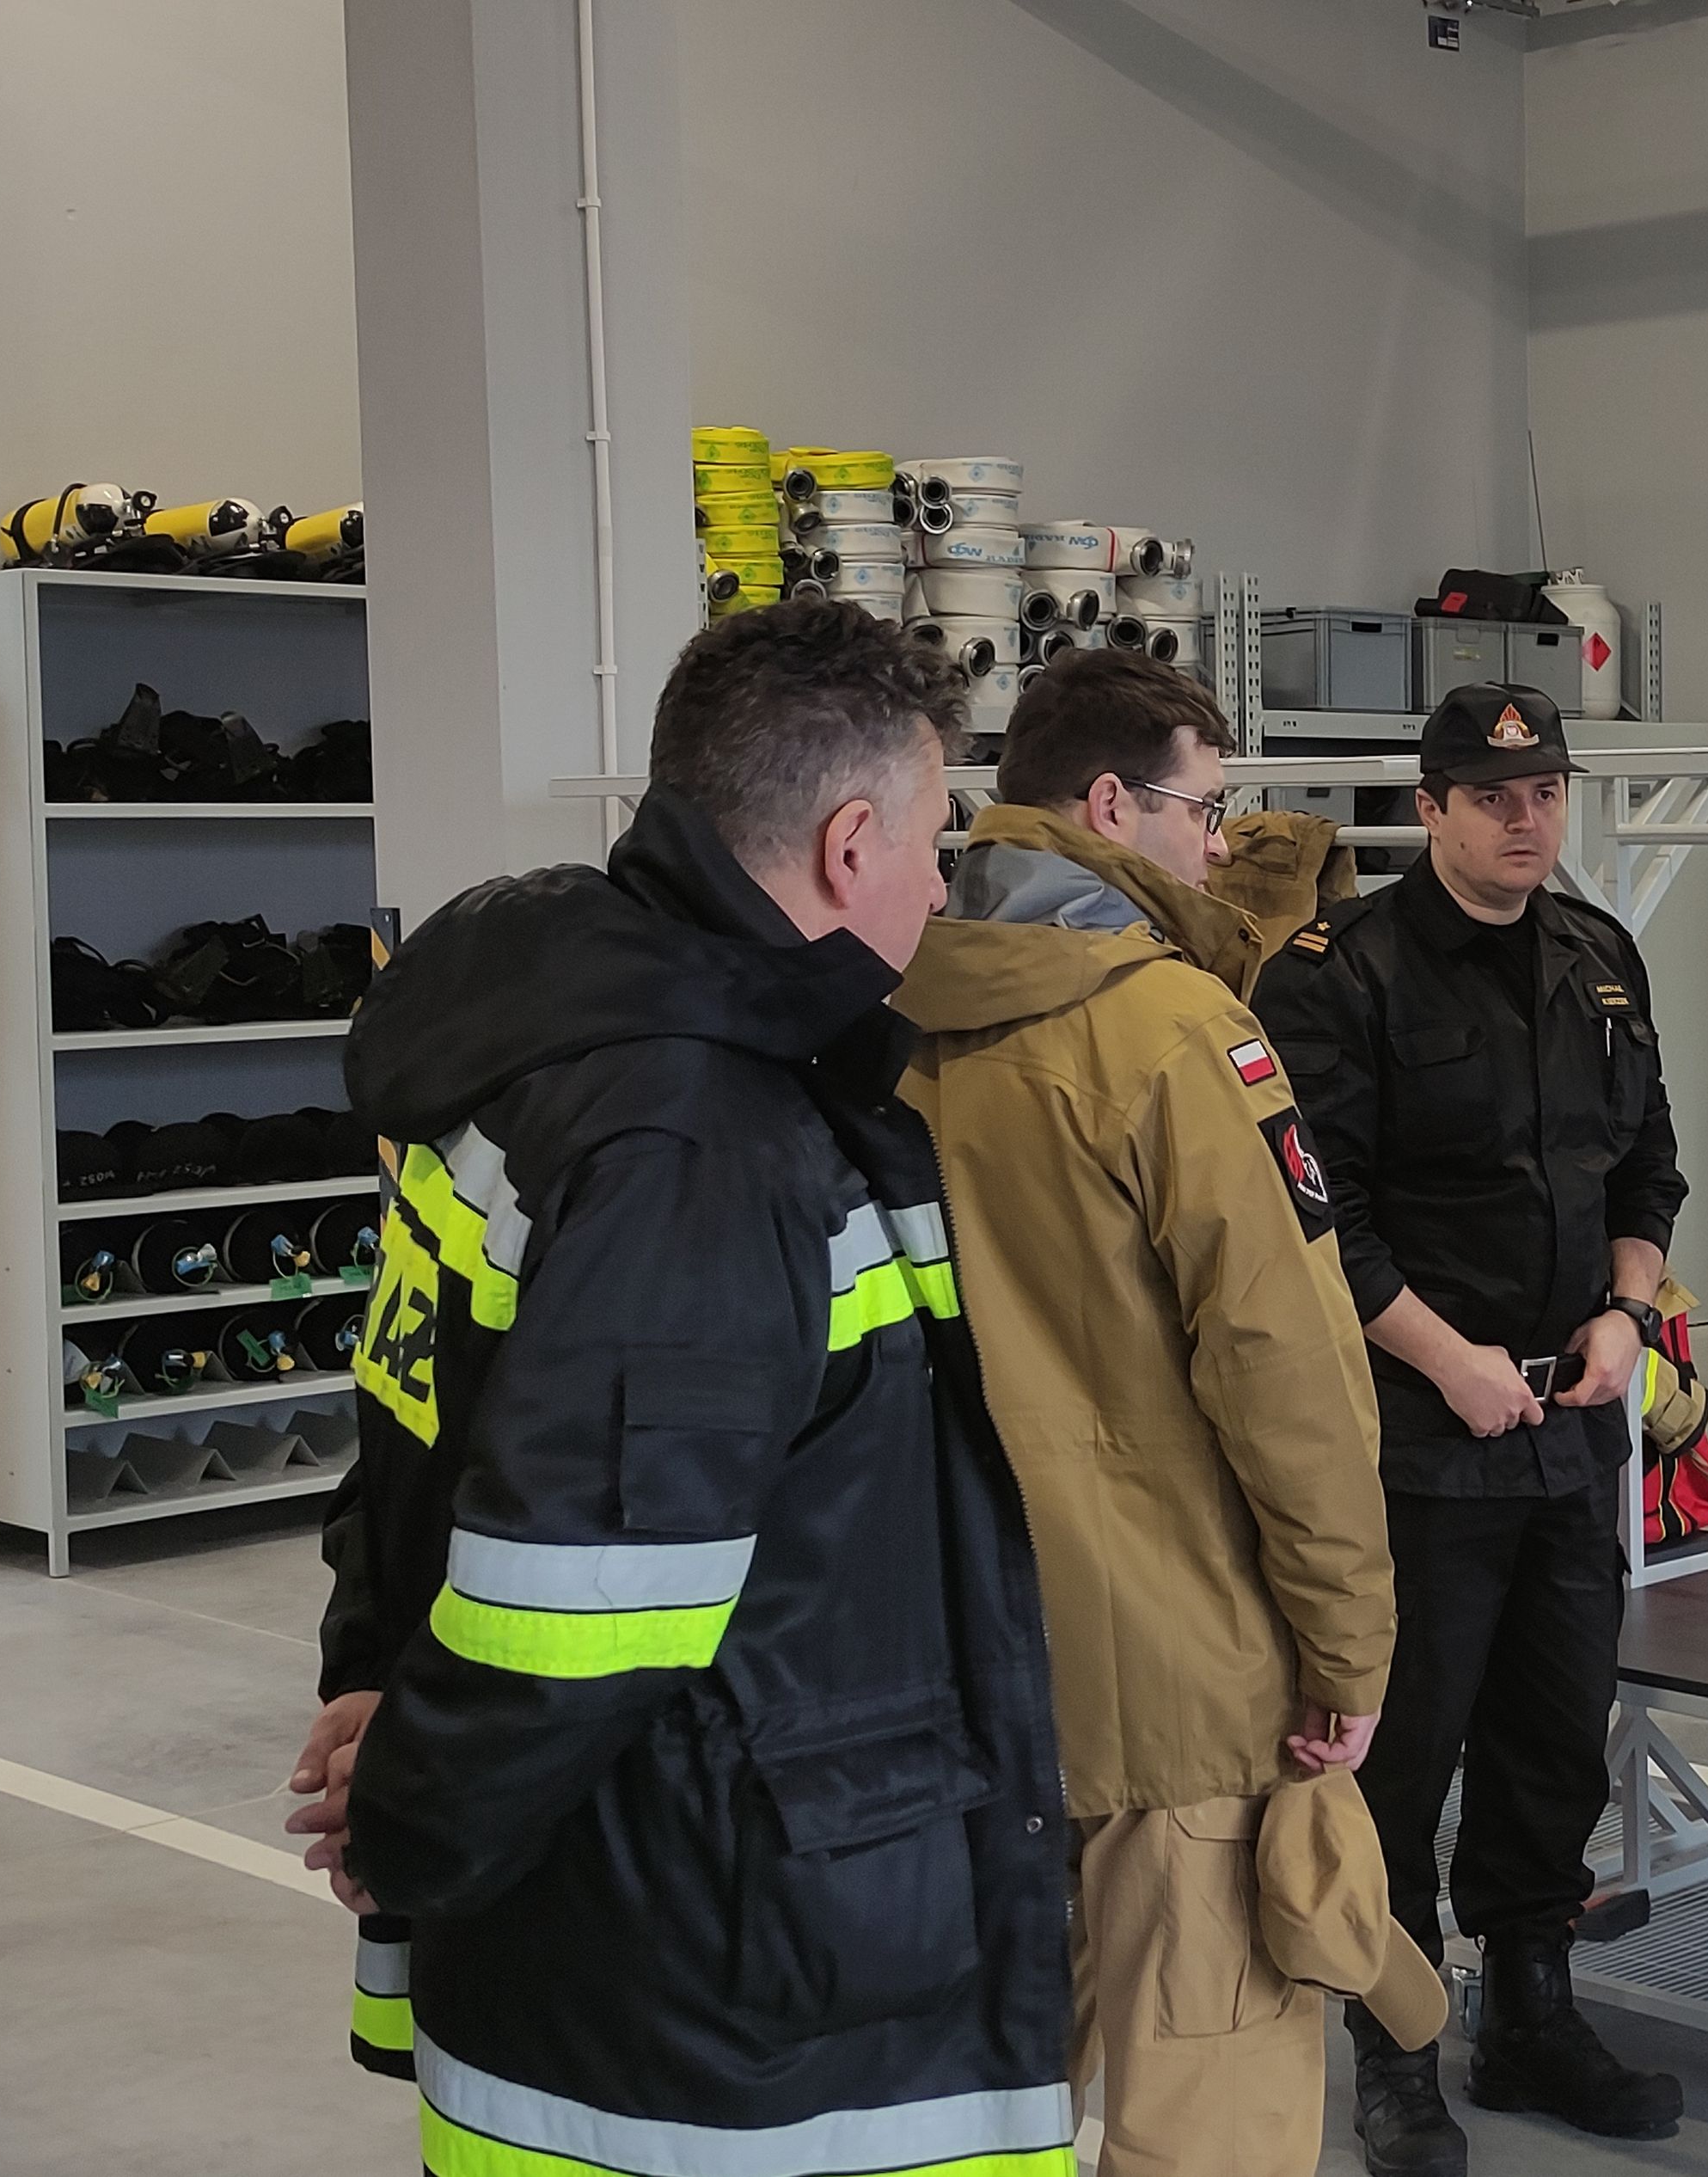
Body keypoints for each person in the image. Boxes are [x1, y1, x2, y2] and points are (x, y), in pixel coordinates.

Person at [283, 600, 1079, 2177]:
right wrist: (411, 1818)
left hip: (627, 1914)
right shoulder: (701, 1142)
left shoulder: (562, 1041)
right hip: (731, 1988)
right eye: (934, 838)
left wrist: (396, 1711)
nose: (941, 882)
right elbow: (580, 1597)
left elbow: (422, 1442)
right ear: (849, 846)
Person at [893, 647, 1399, 2177]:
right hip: (1181, 1662)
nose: (1220, 847)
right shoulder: (1172, 1030)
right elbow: (1286, 1368)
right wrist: (1347, 1642)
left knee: (979, 2102)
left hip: (956, 1642)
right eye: (1205, 810)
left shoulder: (887, 1014)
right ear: (1111, 807)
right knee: (1211, 2105)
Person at [1252, 683, 1689, 2174]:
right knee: (1403, 1753)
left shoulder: (1597, 957)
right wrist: (1450, 1366)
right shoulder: (1335, 976)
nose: (1525, 820)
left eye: (1545, 792)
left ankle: (1530, 2017)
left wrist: (1627, 1311)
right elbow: (1318, 1220)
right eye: (1492, 796)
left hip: (1568, 1424)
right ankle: (1393, 2045)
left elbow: (1646, 1165)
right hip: (1417, 1437)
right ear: (1430, 807)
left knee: (1553, 1736)